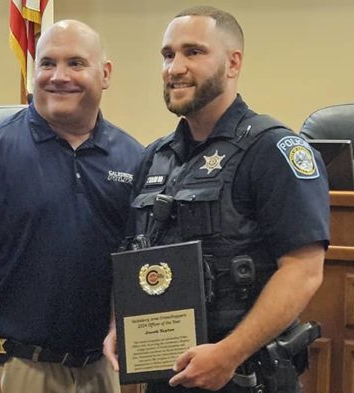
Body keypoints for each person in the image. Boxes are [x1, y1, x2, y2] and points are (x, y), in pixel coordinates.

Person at [103, 6, 329, 393]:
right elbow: (137, 257)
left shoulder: (273, 150)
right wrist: (118, 325)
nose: (175, 68)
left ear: (232, 62)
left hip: (245, 376)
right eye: (168, 54)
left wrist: (228, 354)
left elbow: (303, 271)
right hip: (169, 373)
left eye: (193, 52)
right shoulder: (155, 158)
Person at [0, 20, 143, 393]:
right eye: (47, 64)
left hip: (102, 368)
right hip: (17, 369)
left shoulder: (134, 159)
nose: (58, 76)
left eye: (76, 63)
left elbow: (136, 262)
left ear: (105, 73)